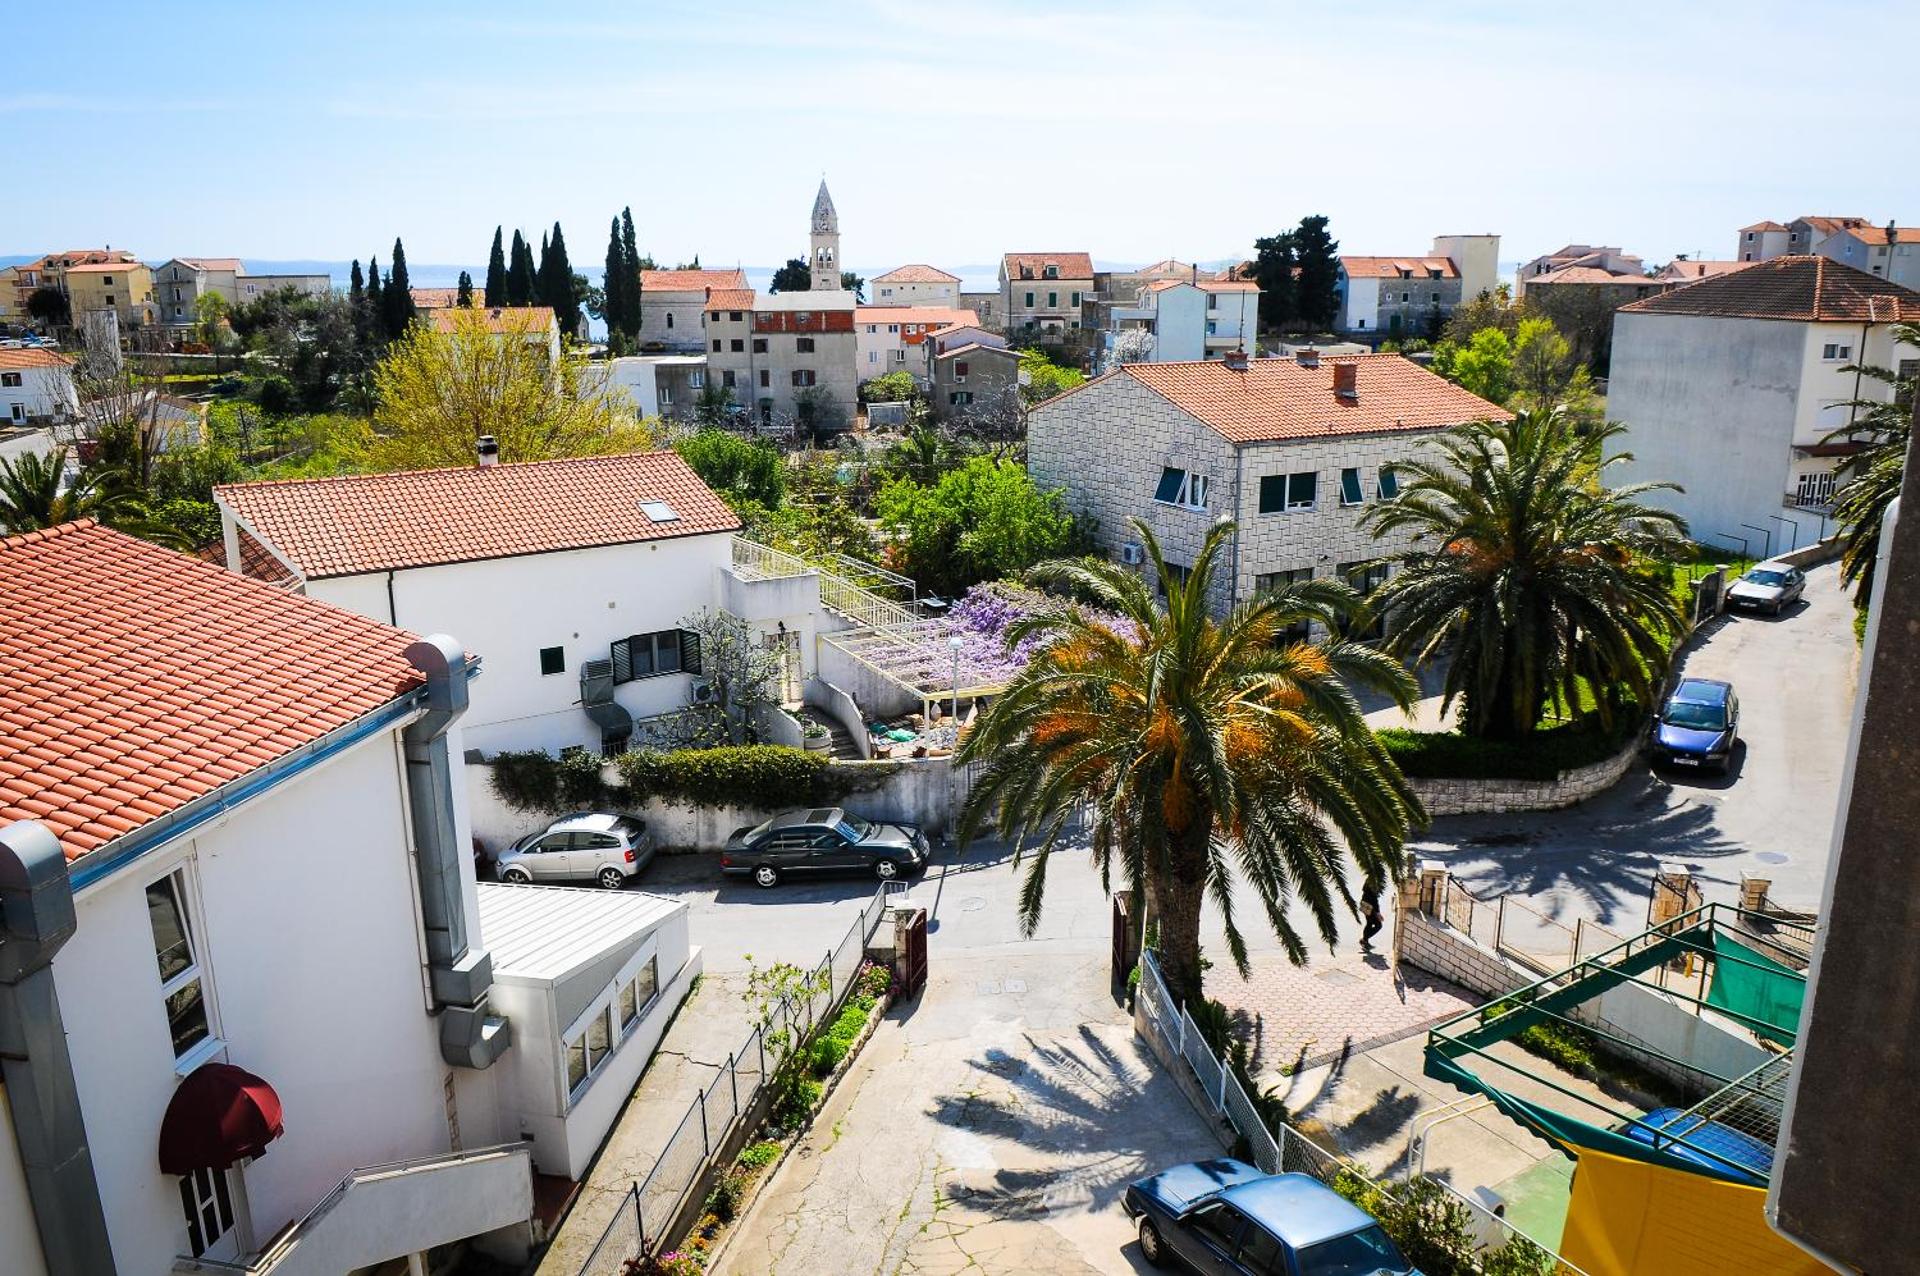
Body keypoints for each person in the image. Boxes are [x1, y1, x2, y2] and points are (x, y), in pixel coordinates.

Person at [1359, 870, 1384, 954]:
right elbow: (1374, 899)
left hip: (1365, 904)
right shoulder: (1373, 882)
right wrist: (1377, 913)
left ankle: (1365, 941)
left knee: (1369, 924)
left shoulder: (1369, 880)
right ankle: (1364, 940)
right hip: (1369, 906)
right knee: (1378, 925)